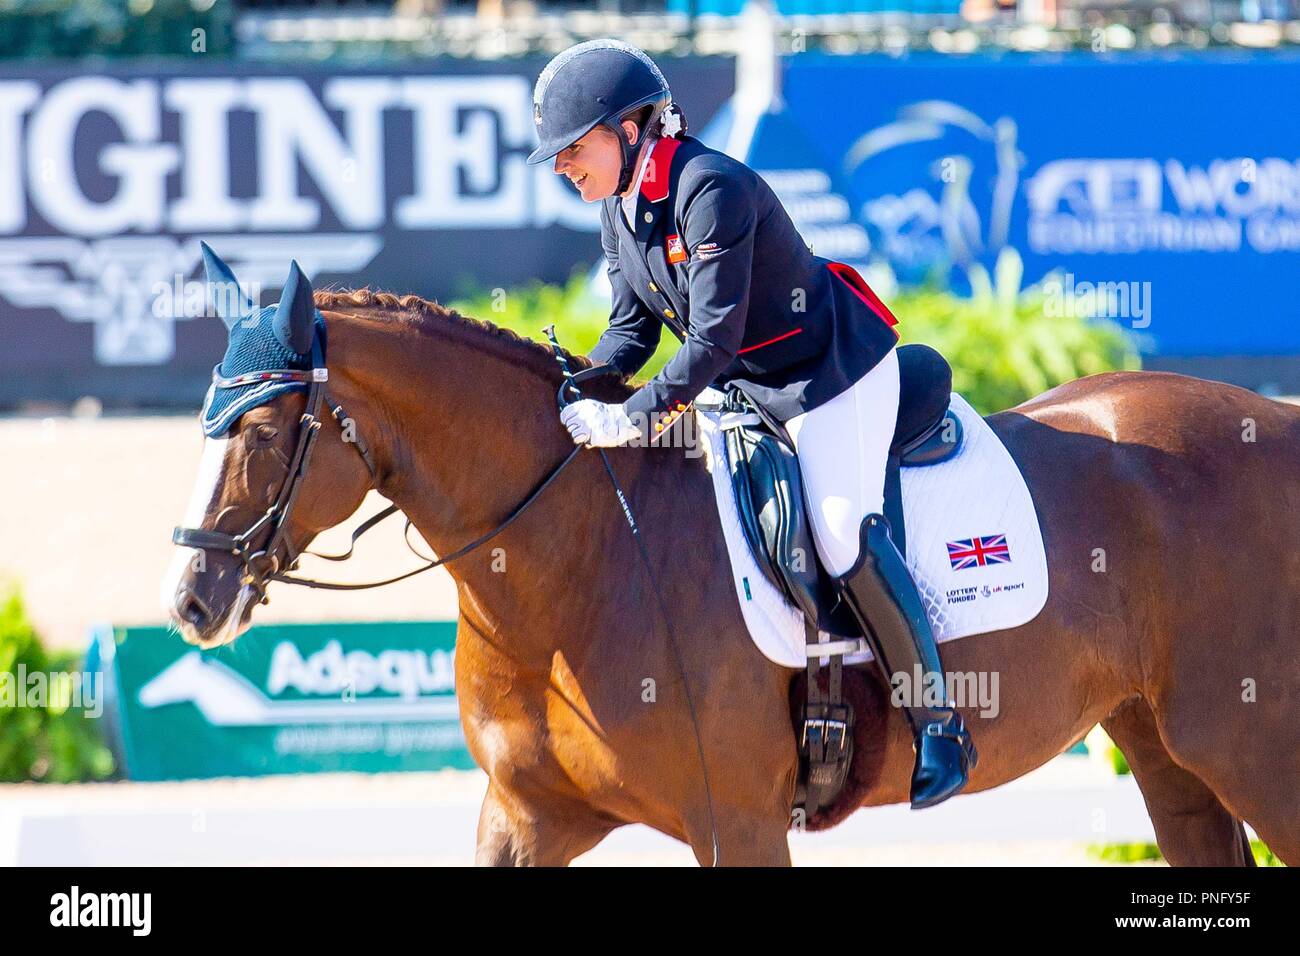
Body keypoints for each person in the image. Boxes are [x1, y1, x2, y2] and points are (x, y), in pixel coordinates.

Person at [526, 39, 977, 809]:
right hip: (746, 390)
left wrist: (631, 417)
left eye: (574, 148)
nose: (563, 165)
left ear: (631, 130)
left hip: (830, 376)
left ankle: (940, 722)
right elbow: (632, 333)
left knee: (839, 531)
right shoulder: (617, 208)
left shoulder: (712, 188)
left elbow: (712, 339)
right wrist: (573, 385)